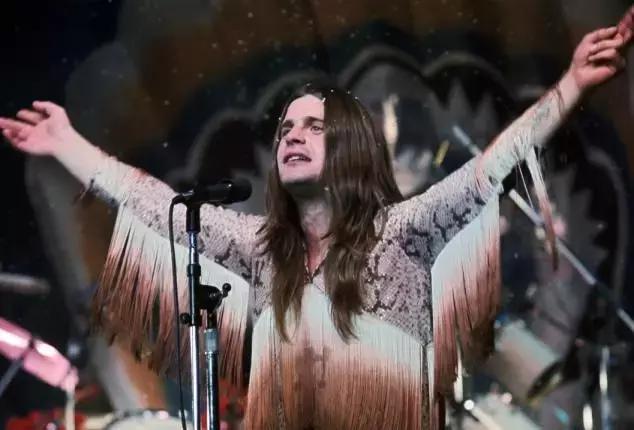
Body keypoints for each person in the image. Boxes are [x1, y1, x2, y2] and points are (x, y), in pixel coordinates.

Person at [2, 9, 633, 428]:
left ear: (351, 148)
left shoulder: (403, 234)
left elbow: (493, 168)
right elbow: (156, 205)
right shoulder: (260, 249)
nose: (291, 136)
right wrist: (66, 144)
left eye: (312, 127)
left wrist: (573, 85)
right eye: (284, 129)